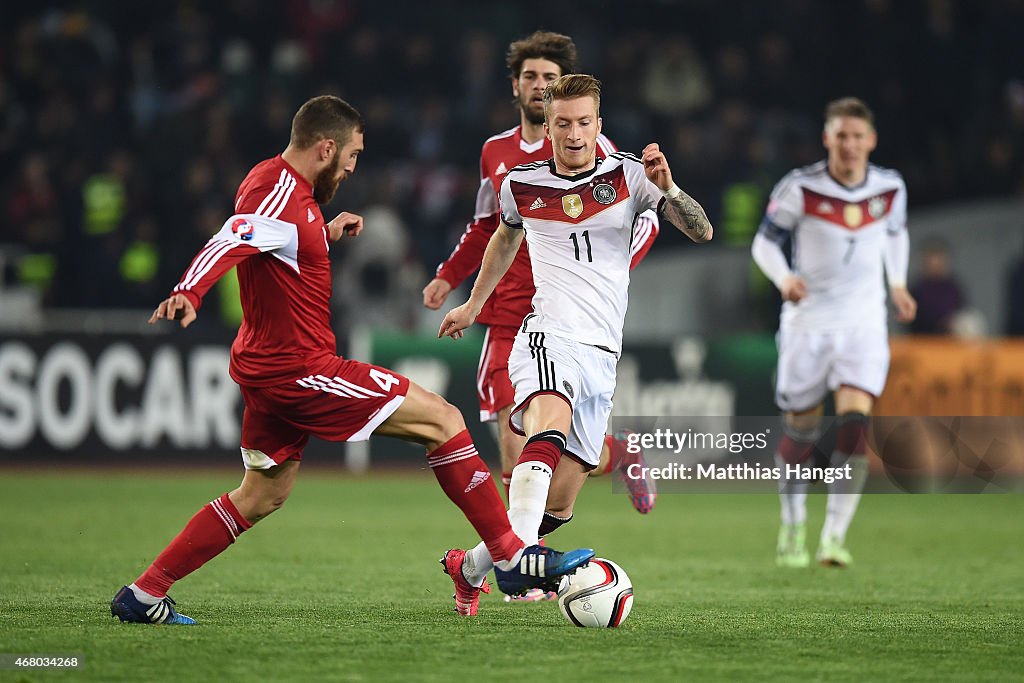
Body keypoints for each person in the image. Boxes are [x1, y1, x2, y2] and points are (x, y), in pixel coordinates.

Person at [109, 95, 594, 625]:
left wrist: (322, 232)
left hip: (265, 367)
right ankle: (509, 555)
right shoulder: (282, 199)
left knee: (262, 495)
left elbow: (270, 234)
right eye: (353, 154)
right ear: (326, 147)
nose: (353, 164)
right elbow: (233, 237)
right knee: (444, 420)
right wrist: (190, 291)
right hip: (299, 369)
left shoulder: (274, 184)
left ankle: (145, 594)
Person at [438, 74, 712, 614]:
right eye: (562, 123)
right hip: (547, 335)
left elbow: (701, 231)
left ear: (598, 125)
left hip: (603, 353)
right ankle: (520, 566)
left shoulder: (631, 176)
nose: (574, 133)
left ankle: (468, 567)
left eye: (584, 123)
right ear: (549, 126)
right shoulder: (522, 183)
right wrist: (473, 304)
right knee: (548, 426)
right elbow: (504, 236)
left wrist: (671, 189)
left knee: (556, 508)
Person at [422, 31, 659, 526]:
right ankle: (524, 562)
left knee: (567, 458)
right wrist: (450, 278)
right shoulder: (498, 155)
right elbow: (491, 227)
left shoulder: (598, 148)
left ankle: (612, 461)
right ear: (517, 86)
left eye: (549, 77)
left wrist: (606, 274)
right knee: (518, 445)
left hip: (582, 318)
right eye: (531, 76)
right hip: (512, 312)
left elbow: (646, 219)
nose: (539, 84)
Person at [751, 97, 917, 569]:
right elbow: (764, 243)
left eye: (857, 136)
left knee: (853, 428)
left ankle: (833, 537)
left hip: (863, 322)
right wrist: (785, 278)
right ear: (827, 138)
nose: (849, 144)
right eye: (840, 135)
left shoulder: (890, 187)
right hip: (808, 324)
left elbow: (895, 233)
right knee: (800, 432)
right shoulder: (800, 187)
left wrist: (898, 283)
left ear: (871, 140)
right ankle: (793, 522)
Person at [909, 237, 966, 335]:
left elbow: (962, 310)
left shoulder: (953, 287)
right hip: (925, 341)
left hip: (952, 342)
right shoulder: (918, 289)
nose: (935, 262)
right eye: (931, 257)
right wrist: (942, 323)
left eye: (939, 257)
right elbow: (914, 321)